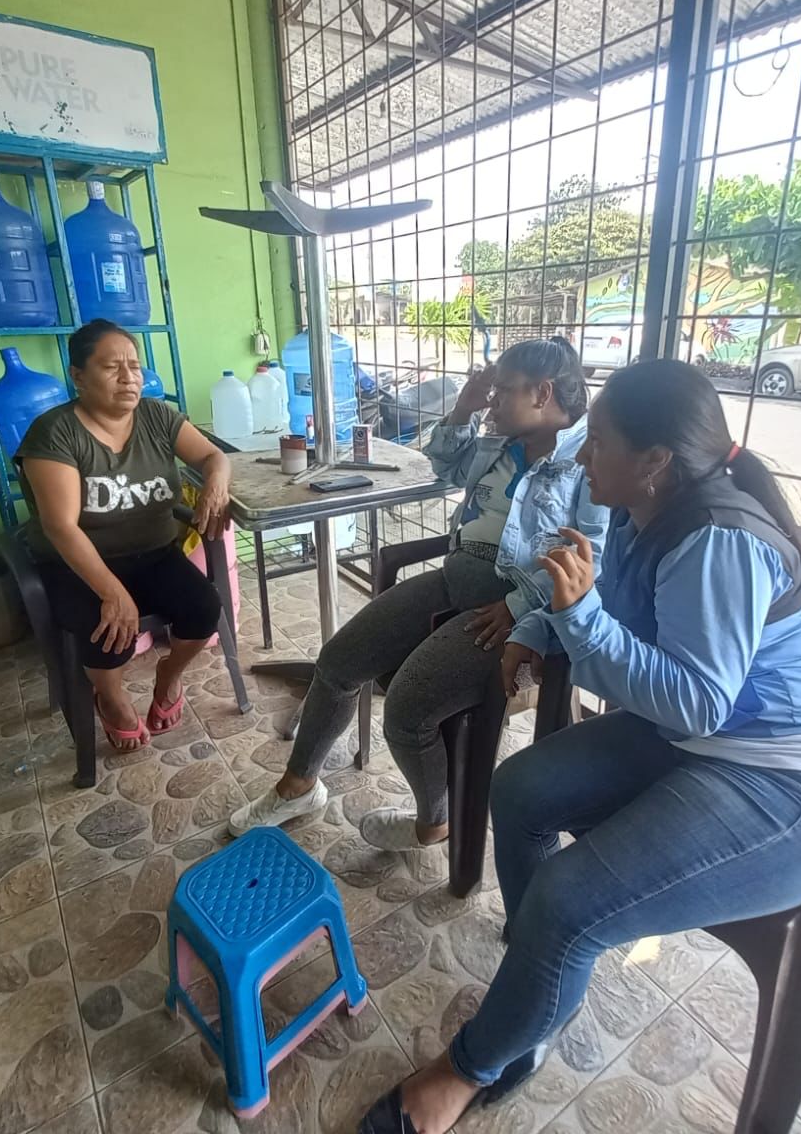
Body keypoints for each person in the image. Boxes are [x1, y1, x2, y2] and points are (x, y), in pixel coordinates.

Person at [359, 358, 801, 1133]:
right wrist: (544, 626)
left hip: (788, 777)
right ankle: (540, 972)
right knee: (519, 792)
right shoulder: (645, 515)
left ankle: (469, 1066)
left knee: (568, 903)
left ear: (656, 460)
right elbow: (608, 605)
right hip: (701, 740)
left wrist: (580, 620)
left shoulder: (716, 540)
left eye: (598, 442)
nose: (582, 456)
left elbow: (697, 702)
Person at [229, 338, 608, 851]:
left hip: (516, 612)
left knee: (408, 709)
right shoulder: (505, 442)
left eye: (502, 391)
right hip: (458, 577)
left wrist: (517, 606)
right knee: (338, 662)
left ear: (542, 393)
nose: (493, 401)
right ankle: (299, 786)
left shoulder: (588, 462)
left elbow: (591, 556)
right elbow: (443, 466)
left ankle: (436, 822)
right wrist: (463, 409)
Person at [17, 319, 232, 752]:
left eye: (134, 366)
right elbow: (60, 526)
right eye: (111, 366)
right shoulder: (55, 433)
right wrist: (113, 592)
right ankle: (111, 698)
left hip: (153, 553)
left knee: (204, 609)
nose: (128, 377)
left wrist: (215, 483)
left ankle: (169, 675)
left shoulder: (156, 415)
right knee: (108, 634)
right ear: (78, 376)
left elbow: (213, 455)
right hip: (78, 564)